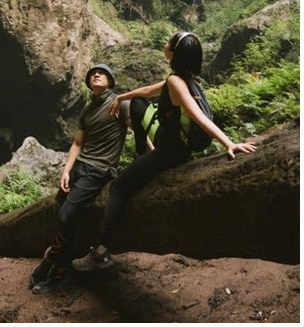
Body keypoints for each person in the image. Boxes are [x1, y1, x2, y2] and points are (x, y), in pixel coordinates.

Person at [72, 31, 258, 272]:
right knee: (137, 104)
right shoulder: (182, 79)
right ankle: (143, 151)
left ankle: (100, 252)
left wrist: (229, 143)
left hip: (171, 151)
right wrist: (121, 99)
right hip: (165, 137)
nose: (164, 42)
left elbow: (198, 116)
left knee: (118, 187)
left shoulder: (176, 84)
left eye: (167, 42)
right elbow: (147, 91)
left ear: (172, 53)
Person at [30, 63, 131, 293]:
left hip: (99, 170)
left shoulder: (119, 103)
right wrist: (66, 170)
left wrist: (154, 151)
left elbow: (136, 126)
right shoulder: (88, 109)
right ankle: (60, 269)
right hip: (80, 167)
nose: (96, 74)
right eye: (93, 73)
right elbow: (77, 143)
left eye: (102, 73)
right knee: (65, 214)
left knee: (66, 215)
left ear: (111, 81)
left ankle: (53, 259)